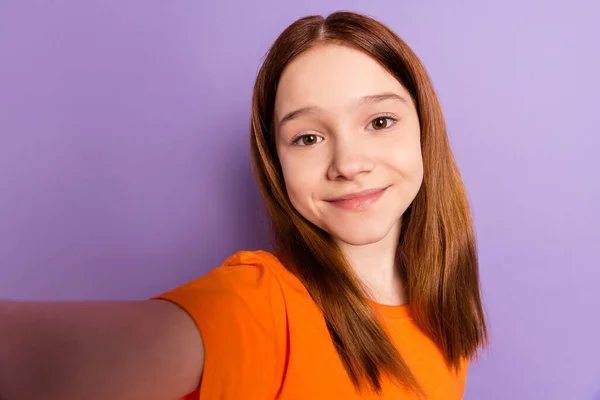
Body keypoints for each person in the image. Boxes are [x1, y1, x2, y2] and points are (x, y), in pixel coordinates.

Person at [0, 11, 488, 400]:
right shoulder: (257, 305)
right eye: (309, 137)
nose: (349, 163)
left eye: (379, 122)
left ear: (426, 131)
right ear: (277, 165)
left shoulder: (444, 317)